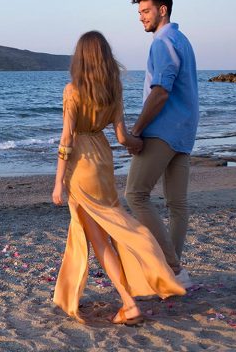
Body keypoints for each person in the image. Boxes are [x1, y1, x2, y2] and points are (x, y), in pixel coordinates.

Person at [52, 31, 185, 325]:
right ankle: (132, 290)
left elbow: (67, 139)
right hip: (103, 159)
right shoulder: (114, 90)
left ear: (81, 58)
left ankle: (128, 301)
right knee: (111, 226)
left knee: (99, 238)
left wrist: (58, 181)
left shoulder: (72, 90)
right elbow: (122, 135)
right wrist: (138, 144)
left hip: (82, 164)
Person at [125, 0, 199, 289]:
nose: (141, 18)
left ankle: (173, 266)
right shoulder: (182, 40)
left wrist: (137, 130)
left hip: (163, 131)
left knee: (135, 194)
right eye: (139, 12)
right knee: (177, 204)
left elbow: (161, 91)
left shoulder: (163, 42)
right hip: (185, 131)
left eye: (146, 11)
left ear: (163, 10)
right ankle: (174, 274)